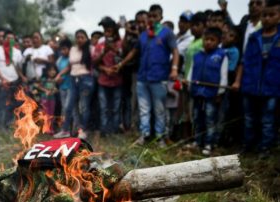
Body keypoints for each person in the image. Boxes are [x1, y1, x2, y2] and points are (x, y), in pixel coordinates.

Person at [117, 4, 179, 147]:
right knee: (144, 109)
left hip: (159, 77)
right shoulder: (144, 34)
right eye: (150, 16)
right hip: (142, 78)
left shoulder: (167, 32)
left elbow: (175, 51)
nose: (152, 19)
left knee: (159, 109)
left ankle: (160, 137)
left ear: (161, 17)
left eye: (155, 16)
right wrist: (121, 64)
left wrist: (174, 69)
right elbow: (134, 51)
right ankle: (144, 135)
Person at [232, 0, 280, 155]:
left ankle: (265, 149)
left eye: (271, 15)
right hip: (250, 85)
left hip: (272, 87)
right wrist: (238, 81)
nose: (267, 18)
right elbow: (244, 61)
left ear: (279, 16)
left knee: (268, 120)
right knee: (249, 119)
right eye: (265, 15)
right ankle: (247, 147)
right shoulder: (254, 37)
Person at [187, 27, 228, 155]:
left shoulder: (221, 55)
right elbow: (191, 72)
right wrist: (189, 86)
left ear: (218, 41)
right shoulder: (197, 55)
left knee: (210, 119)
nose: (208, 42)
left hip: (211, 94)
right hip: (197, 92)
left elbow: (224, 75)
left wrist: (220, 92)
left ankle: (209, 143)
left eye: (212, 40)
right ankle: (198, 141)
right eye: (206, 39)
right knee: (197, 118)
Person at [54, 29, 94, 140]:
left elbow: (96, 62)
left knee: (84, 107)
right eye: (78, 37)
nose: (80, 39)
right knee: (68, 106)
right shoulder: (73, 49)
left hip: (85, 80)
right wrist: (59, 75)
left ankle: (82, 130)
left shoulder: (91, 49)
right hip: (73, 79)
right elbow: (69, 66)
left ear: (86, 38)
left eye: (82, 37)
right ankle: (65, 130)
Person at [93, 16, 123, 136]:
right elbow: (94, 62)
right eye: (104, 27)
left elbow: (125, 59)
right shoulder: (100, 43)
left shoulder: (121, 43)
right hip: (103, 80)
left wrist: (115, 51)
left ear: (114, 28)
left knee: (116, 107)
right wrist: (105, 67)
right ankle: (104, 131)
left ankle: (115, 130)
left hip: (118, 80)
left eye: (108, 27)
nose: (105, 29)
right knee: (104, 107)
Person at [0, 30, 26, 129]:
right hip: (3, 82)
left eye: (12, 38)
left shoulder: (18, 52)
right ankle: (0, 127)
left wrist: (22, 77)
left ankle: (9, 125)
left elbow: (18, 68)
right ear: (4, 39)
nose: (10, 40)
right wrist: (2, 78)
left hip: (15, 81)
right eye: (8, 38)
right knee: (2, 104)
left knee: (14, 105)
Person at [121, 20, 140, 131]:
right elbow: (123, 49)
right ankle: (128, 125)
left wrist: (137, 34)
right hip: (126, 74)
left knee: (135, 101)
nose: (132, 29)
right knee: (127, 101)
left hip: (136, 73)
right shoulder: (127, 38)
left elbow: (137, 51)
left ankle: (134, 126)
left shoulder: (141, 37)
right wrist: (126, 33)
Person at [35, 64, 59, 134]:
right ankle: (45, 128)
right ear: (47, 71)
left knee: (51, 114)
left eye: (54, 70)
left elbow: (55, 88)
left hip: (52, 99)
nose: (53, 72)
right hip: (45, 99)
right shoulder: (44, 79)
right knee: (46, 114)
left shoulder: (54, 80)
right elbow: (38, 86)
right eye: (51, 70)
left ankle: (50, 129)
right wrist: (46, 91)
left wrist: (54, 90)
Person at [55, 39, 73, 117]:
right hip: (62, 86)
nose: (62, 51)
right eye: (61, 49)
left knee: (69, 107)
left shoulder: (72, 59)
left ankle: (75, 126)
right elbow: (57, 71)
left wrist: (59, 76)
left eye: (64, 49)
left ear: (70, 49)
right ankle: (64, 127)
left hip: (71, 86)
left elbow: (69, 69)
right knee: (64, 107)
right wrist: (58, 80)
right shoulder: (59, 60)